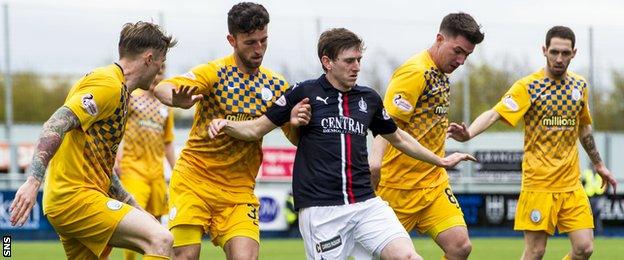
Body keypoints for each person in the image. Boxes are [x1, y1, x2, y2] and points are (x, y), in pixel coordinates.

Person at [207, 27, 476, 260]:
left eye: (359, 59)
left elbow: (398, 136)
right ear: (327, 61)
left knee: (407, 255)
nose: (357, 67)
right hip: (322, 210)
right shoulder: (304, 92)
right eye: (349, 61)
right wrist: (226, 124)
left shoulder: (368, 98)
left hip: (366, 204)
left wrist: (439, 159)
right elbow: (257, 128)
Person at [447, 26, 618, 260]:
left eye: (565, 53)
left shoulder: (580, 87)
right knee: (535, 252)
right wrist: (469, 135)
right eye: (554, 52)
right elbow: (495, 113)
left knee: (584, 248)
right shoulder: (529, 86)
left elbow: (584, 127)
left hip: (571, 185)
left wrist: (599, 165)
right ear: (544, 50)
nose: (559, 58)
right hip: (538, 185)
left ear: (574, 53)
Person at [152, 2, 308, 259]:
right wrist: (176, 99)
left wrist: (295, 121)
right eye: (250, 42)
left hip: (239, 190)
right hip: (195, 180)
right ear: (232, 40)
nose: (259, 49)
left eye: (263, 40)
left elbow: (295, 138)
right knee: (186, 256)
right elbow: (163, 87)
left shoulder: (277, 85)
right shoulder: (214, 72)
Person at [10, 21, 177, 259]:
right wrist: (33, 181)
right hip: (76, 197)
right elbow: (55, 123)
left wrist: (135, 207)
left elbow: (101, 165)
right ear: (149, 58)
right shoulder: (108, 84)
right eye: (161, 61)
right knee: (161, 238)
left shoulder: (120, 92)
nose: (161, 69)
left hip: (77, 198)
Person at [369, 12, 484, 260]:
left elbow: (423, 120)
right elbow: (386, 123)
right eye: (458, 51)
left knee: (460, 247)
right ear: (440, 38)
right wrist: (375, 162)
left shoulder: (441, 73)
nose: (462, 60)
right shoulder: (414, 72)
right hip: (396, 187)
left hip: (433, 183)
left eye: (467, 55)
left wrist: (451, 132)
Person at [114, 64, 176, 260]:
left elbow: (168, 143)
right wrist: (117, 154)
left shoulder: (166, 107)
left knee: (156, 224)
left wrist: (176, 170)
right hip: (133, 169)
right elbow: (118, 129)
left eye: (160, 74)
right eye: (154, 73)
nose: (156, 78)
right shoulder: (132, 99)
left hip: (156, 173)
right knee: (134, 221)